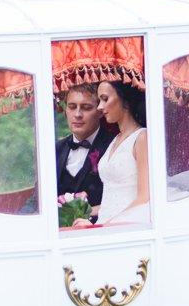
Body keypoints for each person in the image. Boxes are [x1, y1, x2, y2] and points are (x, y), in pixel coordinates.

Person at [75, 80, 148, 226]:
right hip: (107, 223)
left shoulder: (142, 137)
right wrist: (87, 211)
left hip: (128, 225)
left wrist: (104, 227)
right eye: (99, 101)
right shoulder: (116, 139)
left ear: (124, 99)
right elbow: (115, 199)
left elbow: (144, 197)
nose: (100, 107)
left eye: (105, 99)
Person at [55, 84, 114, 216]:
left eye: (86, 108)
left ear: (100, 111)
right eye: (72, 107)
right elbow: (36, 199)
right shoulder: (54, 149)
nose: (77, 114)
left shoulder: (114, 145)